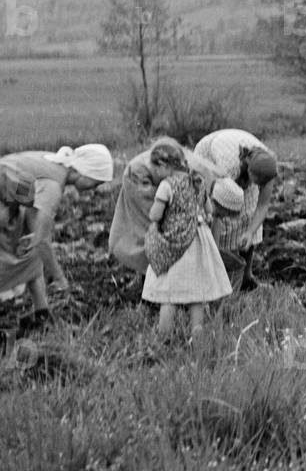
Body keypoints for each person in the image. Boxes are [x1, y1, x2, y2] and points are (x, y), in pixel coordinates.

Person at [0, 144, 114, 326]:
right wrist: (60, 278)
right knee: (0, 261)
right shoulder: (53, 186)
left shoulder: (55, 168)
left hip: (5, 200)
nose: (95, 188)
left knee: (31, 256)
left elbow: (29, 200)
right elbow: (42, 241)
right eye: (96, 182)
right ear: (86, 172)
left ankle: (42, 314)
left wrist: (34, 235)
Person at [141, 141, 232, 338]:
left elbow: (156, 215)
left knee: (168, 294)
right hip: (198, 241)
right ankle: (197, 335)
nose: (155, 174)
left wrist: (155, 214)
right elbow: (209, 210)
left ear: (165, 166)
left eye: (156, 169)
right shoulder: (197, 180)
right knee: (196, 295)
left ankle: (164, 336)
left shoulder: (167, 185)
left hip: (174, 243)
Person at [108, 138, 233, 282]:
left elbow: (208, 210)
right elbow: (154, 215)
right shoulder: (141, 173)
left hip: (168, 191)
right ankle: (149, 279)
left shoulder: (199, 175)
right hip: (139, 182)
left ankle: (167, 277)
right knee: (152, 235)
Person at [193, 129, 279, 292]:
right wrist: (214, 253)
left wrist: (249, 233)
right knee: (221, 211)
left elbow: (261, 206)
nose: (259, 186)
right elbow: (217, 212)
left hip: (238, 156)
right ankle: (210, 272)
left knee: (248, 212)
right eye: (257, 183)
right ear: (250, 173)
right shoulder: (228, 167)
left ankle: (246, 277)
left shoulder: (267, 168)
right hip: (209, 155)